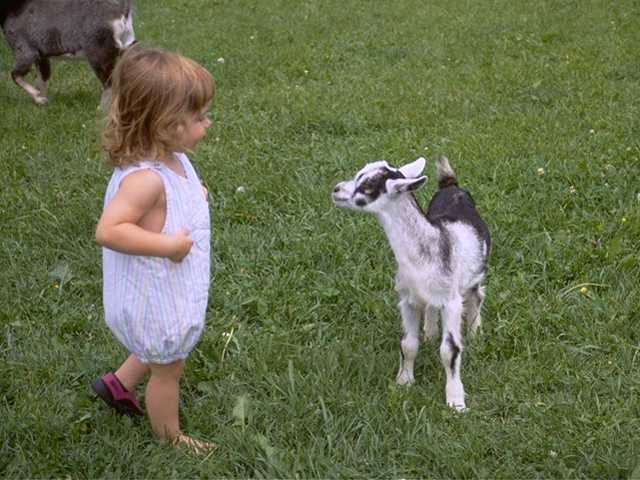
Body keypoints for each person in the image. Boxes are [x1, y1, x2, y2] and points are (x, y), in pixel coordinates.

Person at [91, 44, 215, 453]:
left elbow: (172, 198)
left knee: (158, 347)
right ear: (164, 124)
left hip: (161, 293)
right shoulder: (144, 181)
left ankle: (117, 385)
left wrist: (193, 194)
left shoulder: (172, 158)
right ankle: (171, 436)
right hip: (153, 295)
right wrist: (166, 246)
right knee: (168, 367)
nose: (207, 123)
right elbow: (110, 230)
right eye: (197, 117)